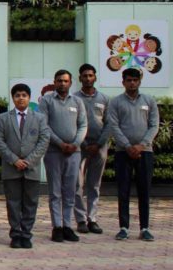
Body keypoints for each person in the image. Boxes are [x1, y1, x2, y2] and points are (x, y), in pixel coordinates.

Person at [0, 83, 51, 249]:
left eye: (24, 95)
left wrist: (29, 161)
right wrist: (14, 160)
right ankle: (15, 234)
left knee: (30, 203)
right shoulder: (4, 118)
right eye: (17, 95)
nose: (21, 98)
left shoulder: (39, 118)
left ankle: (26, 234)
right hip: (11, 168)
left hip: (31, 168)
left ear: (29, 98)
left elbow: (44, 140)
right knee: (13, 203)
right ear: (13, 98)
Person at [107, 68, 159, 241]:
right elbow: (114, 126)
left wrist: (141, 145)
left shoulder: (149, 100)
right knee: (123, 191)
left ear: (139, 82)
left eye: (135, 80)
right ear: (123, 82)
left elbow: (154, 125)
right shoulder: (116, 102)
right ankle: (124, 228)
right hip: (123, 152)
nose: (132, 83)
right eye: (128, 80)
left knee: (144, 191)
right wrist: (128, 146)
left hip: (145, 152)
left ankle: (145, 228)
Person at [38, 69, 88, 243]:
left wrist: (75, 143)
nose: (62, 83)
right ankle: (57, 227)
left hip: (74, 153)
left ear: (70, 83)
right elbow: (44, 125)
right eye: (59, 80)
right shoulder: (47, 101)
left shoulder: (78, 101)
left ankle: (67, 226)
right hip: (53, 152)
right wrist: (60, 143)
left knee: (70, 191)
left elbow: (83, 125)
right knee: (55, 191)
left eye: (65, 81)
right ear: (54, 82)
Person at [74, 64, 110, 234]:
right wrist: (83, 144)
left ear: (95, 77)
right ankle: (81, 219)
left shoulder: (104, 99)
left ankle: (92, 219)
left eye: (90, 75)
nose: (88, 78)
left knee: (94, 184)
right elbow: (73, 123)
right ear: (79, 78)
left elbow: (109, 124)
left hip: (100, 147)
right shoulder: (74, 98)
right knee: (77, 184)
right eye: (85, 76)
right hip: (80, 147)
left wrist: (99, 144)